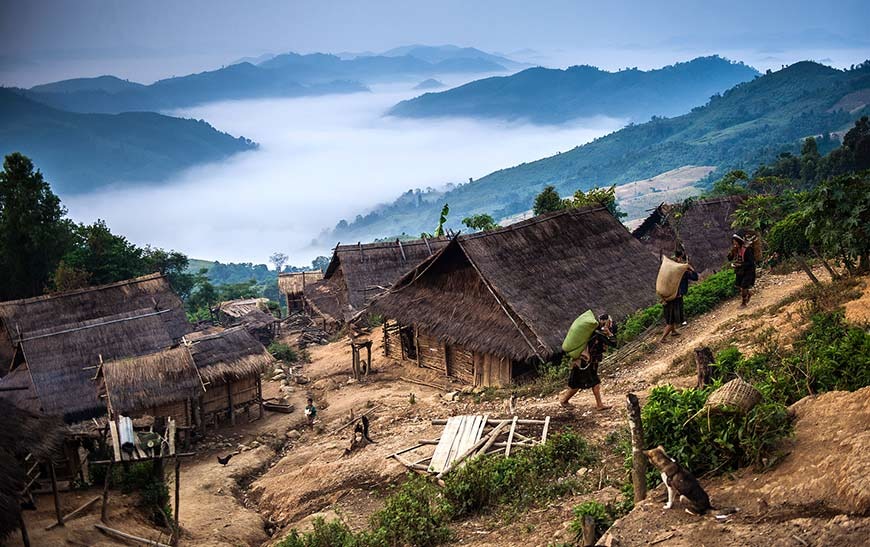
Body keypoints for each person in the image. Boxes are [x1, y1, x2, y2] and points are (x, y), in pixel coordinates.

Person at [559, 314, 616, 410]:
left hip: (589, 362)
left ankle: (599, 405)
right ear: (604, 322)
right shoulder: (598, 334)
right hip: (584, 363)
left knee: (594, 382)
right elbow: (613, 343)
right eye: (608, 322)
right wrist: (609, 333)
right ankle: (564, 401)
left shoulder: (594, 332)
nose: (610, 324)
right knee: (576, 384)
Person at [660, 249, 698, 343]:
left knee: (670, 315)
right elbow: (695, 277)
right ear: (680, 257)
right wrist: (691, 268)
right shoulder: (681, 270)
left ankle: (673, 331)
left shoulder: (670, 268)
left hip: (667, 297)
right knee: (671, 319)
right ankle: (663, 338)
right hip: (676, 297)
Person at [728, 232, 757, 306]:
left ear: (739, 241)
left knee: (744, 286)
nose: (735, 244)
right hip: (740, 270)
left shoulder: (747, 250)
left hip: (748, 270)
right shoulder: (736, 250)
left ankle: (744, 302)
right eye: (733, 243)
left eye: (736, 242)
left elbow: (751, 262)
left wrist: (740, 264)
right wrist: (732, 252)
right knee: (739, 286)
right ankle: (749, 294)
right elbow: (730, 258)